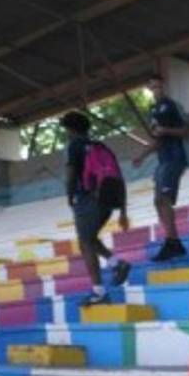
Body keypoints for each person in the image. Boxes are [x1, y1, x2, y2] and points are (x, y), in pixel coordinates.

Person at [60, 111, 131, 306]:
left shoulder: (74, 146)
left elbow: (71, 173)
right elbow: (119, 177)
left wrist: (69, 196)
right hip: (108, 200)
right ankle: (117, 264)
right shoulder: (101, 146)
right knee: (90, 238)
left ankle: (98, 291)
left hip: (87, 199)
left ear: (70, 129)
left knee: (85, 243)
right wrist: (123, 210)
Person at [132, 72, 189, 262]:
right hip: (162, 159)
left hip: (174, 157)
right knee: (158, 201)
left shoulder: (173, 105)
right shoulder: (152, 111)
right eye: (152, 86)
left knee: (164, 199)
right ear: (149, 89)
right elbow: (158, 140)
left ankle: (173, 242)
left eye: (158, 85)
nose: (156, 89)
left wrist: (166, 130)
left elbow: (188, 131)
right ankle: (172, 241)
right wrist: (142, 155)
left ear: (163, 86)